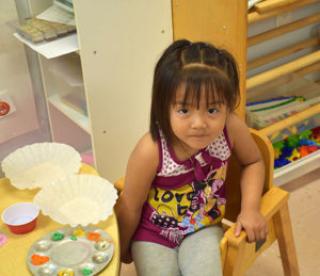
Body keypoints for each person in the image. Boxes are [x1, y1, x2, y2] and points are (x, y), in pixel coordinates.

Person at [115, 39, 268, 276]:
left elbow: (253, 162)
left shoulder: (232, 128)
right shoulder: (151, 149)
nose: (199, 124)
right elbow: (130, 207)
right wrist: (123, 250)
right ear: (163, 107)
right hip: (153, 234)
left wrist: (250, 209)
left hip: (203, 228)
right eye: (184, 110)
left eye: (212, 110)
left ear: (228, 106)